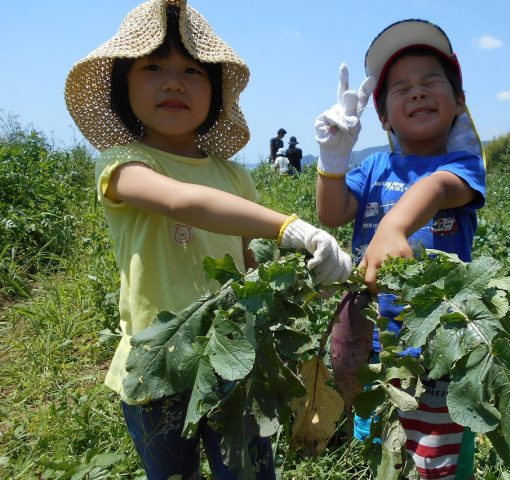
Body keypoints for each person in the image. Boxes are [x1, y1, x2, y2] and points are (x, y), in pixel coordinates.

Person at [64, 1, 351, 478]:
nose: (173, 82)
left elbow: (249, 263)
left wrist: (306, 281)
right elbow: (181, 200)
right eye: (153, 67)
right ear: (123, 87)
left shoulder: (235, 176)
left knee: (249, 470)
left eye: (192, 71)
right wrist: (289, 227)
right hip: (158, 362)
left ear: (216, 93)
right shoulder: (123, 164)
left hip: (235, 357)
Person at [314, 19, 486, 479]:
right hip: (373, 338)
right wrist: (332, 161)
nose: (418, 92)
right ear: (384, 117)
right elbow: (333, 214)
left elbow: (436, 189)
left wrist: (393, 226)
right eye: (402, 88)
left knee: (433, 454)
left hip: (436, 340)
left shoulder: (462, 165)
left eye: (432, 82)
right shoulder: (372, 165)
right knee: (378, 442)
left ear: (459, 104)